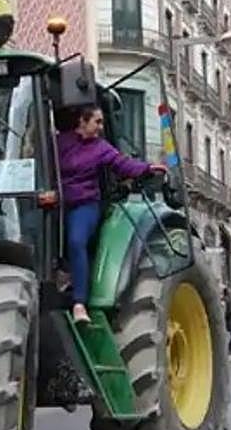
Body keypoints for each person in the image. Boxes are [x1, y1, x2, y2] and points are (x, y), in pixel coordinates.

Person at [56, 104, 165, 323]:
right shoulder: (60, 142)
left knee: (77, 241)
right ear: (82, 121)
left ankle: (79, 304)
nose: (100, 127)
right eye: (97, 121)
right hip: (57, 204)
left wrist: (147, 168)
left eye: (101, 122)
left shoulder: (101, 147)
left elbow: (123, 164)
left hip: (84, 205)